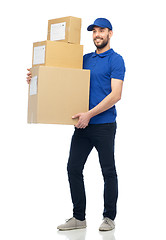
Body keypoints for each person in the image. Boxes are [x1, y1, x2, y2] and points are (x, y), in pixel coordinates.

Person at [26, 17, 125, 232]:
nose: (97, 35)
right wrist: (37, 77)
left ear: (110, 33)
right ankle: (79, 217)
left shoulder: (116, 60)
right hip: (82, 125)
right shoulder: (84, 59)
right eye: (94, 31)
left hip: (104, 125)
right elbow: (61, 77)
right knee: (73, 168)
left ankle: (109, 217)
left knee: (108, 171)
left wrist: (90, 114)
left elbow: (116, 95)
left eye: (101, 31)